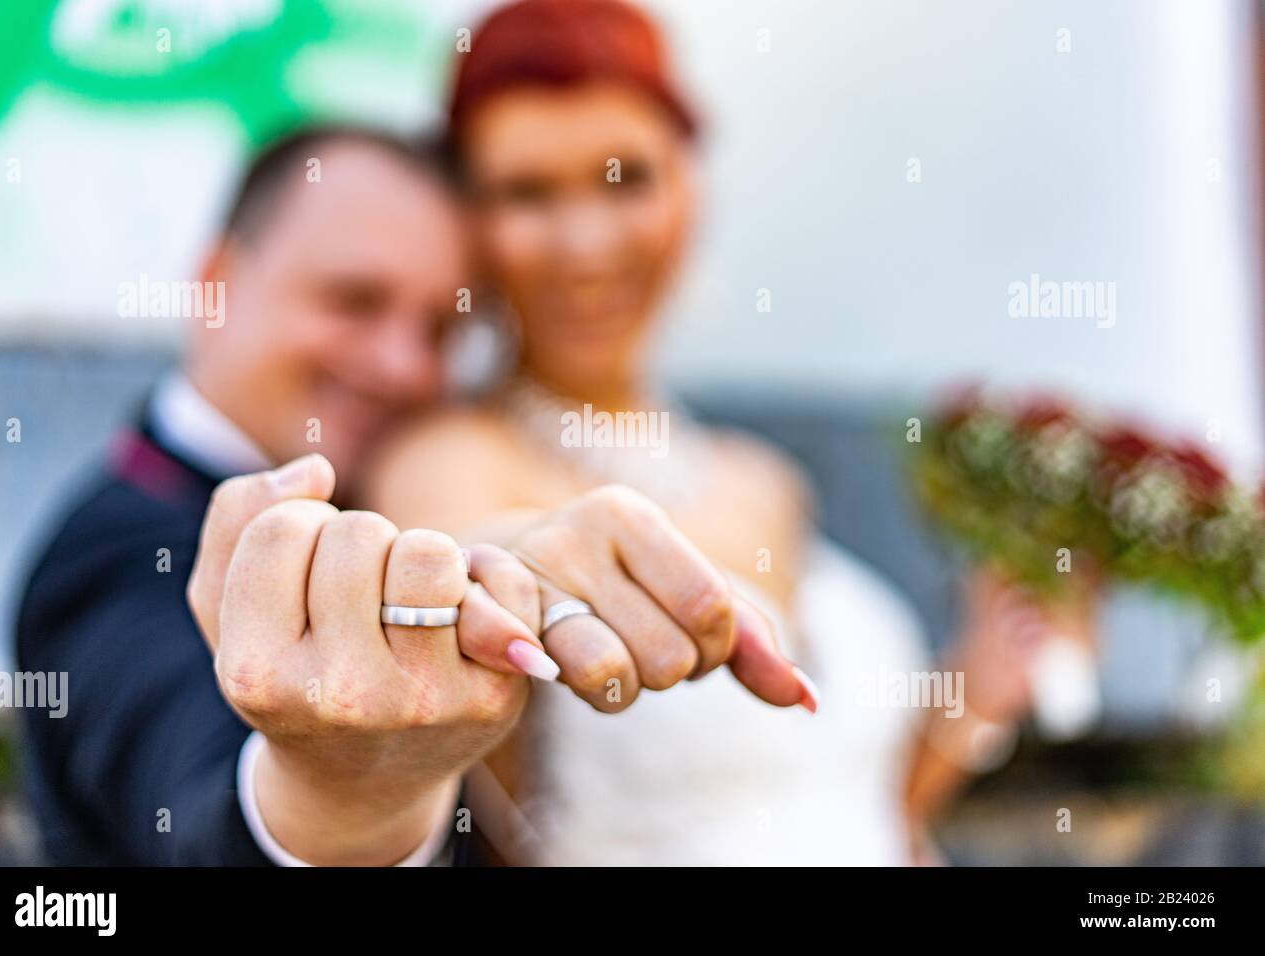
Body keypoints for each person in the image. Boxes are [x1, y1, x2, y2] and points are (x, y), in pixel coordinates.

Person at [366, 0, 1099, 865]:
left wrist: (978, 691)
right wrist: (513, 559)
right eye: (526, 193)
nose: (585, 243)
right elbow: (464, 577)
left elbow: (836, 808)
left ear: (688, 183)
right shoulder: (450, 466)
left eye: (623, 178)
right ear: (470, 227)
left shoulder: (760, 477)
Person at [14, 127, 813, 866]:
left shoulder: (415, 492)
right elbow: (190, 792)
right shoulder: (114, 550)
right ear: (217, 282)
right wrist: (339, 791)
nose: (401, 366)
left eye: (437, 329)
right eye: (354, 302)